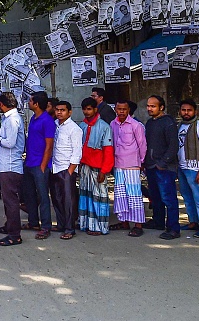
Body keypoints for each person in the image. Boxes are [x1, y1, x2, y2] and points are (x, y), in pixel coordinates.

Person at [0, 93, 25, 246]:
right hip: (5, 164)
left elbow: (10, 143)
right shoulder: (8, 118)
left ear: (2, 104)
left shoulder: (12, 120)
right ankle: (9, 227)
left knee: (11, 201)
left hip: (11, 166)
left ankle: (14, 235)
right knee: (7, 199)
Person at [143, 95, 180, 239]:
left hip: (164, 168)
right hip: (151, 166)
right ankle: (158, 221)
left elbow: (173, 145)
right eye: (148, 106)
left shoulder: (168, 123)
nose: (149, 109)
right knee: (156, 197)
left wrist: (163, 162)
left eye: (153, 106)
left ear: (161, 107)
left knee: (169, 199)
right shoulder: (150, 123)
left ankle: (173, 229)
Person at [109, 100, 147, 237]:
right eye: (119, 109)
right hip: (118, 164)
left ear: (128, 110)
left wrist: (142, 162)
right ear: (115, 110)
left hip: (132, 164)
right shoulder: (112, 124)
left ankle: (138, 225)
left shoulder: (136, 125)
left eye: (124, 109)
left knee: (134, 194)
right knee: (120, 194)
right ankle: (124, 222)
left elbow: (142, 145)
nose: (121, 112)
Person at [77, 98, 115, 236]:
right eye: (84, 109)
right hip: (85, 167)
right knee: (86, 197)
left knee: (99, 198)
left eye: (89, 109)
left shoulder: (104, 126)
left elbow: (108, 151)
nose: (86, 112)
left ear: (95, 110)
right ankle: (86, 224)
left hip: (98, 168)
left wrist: (104, 171)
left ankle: (100, 227)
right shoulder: (82, 126)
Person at [21, 92, 56, 239]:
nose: (28, 103)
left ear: (36, 104)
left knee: (42, 196)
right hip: (29, 161)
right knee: (29, 194)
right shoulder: (34, 118)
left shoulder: (47, 120)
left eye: (30, 101)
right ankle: (33, 221)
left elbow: (49, 145)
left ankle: (46, 225)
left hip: (39, 164)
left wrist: (43, 165)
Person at [177, 99, 199, 237]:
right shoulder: (180, 126)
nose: (186, 113)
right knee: (187, 196)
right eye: (183, 110)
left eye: (189, 110)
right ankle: (193, 222)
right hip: (182, 166)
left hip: (195, 168)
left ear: (195, 112)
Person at [49, 101, 82, 240]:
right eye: (57, 110)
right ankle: (61, 224)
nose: (59, 112)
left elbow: (77, 152)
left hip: (66, 169)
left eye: (62, 110)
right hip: (55, 167)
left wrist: (70, 171)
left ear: (69, 112)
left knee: (68, 200)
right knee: (56, 198)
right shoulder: (55, 125)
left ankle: (70, 228)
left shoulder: (74, 129)